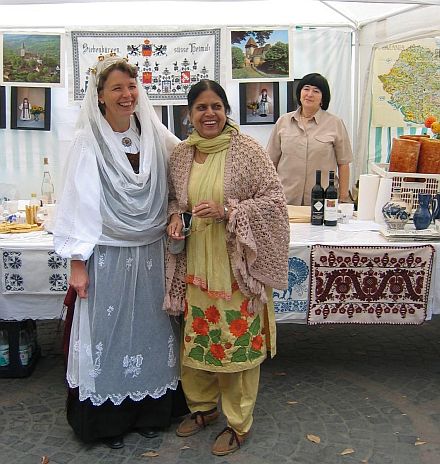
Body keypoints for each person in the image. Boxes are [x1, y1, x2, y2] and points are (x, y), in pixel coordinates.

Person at [53, 53, 187, 449]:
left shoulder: (153, 131)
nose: (127, 95)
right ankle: (106, 420)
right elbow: (77, 204)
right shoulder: (86, 141)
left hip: (149, 250)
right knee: (108, 336)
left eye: (131, 87)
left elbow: (184, 159)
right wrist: (78, 265)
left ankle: (150, 409)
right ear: (100, 96)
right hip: (107, 252)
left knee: (149, 329)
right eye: (117, 88)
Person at [164, 79, 289, 456]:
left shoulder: (247, 150)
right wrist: (175, 217)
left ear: (226, 111)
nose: (209, 114)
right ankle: (202, 409)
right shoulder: (182, 154)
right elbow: (175, 200)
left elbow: (275, 204)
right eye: (201, 107)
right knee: (198, 341)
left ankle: (239, 422)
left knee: (236, 348)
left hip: (236, 269)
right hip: (196, 265)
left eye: (216, 106)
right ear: (189, 114)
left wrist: (229, 211)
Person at [267, 73, 353, 205]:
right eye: (306, 89)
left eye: (316, 91)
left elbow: (344, 163)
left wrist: (343, 197)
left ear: (323, 98)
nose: (310, 94)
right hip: (285, 199)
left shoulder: (335, 123)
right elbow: (270, 162)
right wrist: (268, 194)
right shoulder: (283, 122)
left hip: (322, 200)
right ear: (299, 93)